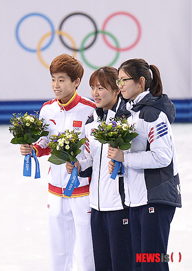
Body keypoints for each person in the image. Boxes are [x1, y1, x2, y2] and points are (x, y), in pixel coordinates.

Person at [20, 54, 96, 271]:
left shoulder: (90, 110)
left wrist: (80, 164)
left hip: (83, 191)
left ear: (76, 82)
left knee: (87, 251)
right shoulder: (47, 109)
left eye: (61, 80)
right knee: (58, 251)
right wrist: (32, 148)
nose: (56, 85)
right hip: (55, 190)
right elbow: (45, 143)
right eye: (53, 79)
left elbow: (96, 151)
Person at [107, 58, 182, 271]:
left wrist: (125, 159)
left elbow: (162, 157)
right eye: (118, 80)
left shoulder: (152, 114)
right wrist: (119, 165)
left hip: (156, 199)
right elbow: (134, 154)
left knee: (154, 264)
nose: (119, 86)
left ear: (141, 82)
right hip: (137, 199)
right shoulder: (131, 114)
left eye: (124, 80)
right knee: (141, 265)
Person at [66, 66, 133, 271]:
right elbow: (91, 160)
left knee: (122, 264)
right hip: (96, 206)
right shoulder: (91, 122)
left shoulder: (127, 120)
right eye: (93, 87)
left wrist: (124, 161)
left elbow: (136, 158)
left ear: (116, 90)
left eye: (101, 87)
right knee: (101, 264)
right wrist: (78, 165)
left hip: (120, 205)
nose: (95, 93)